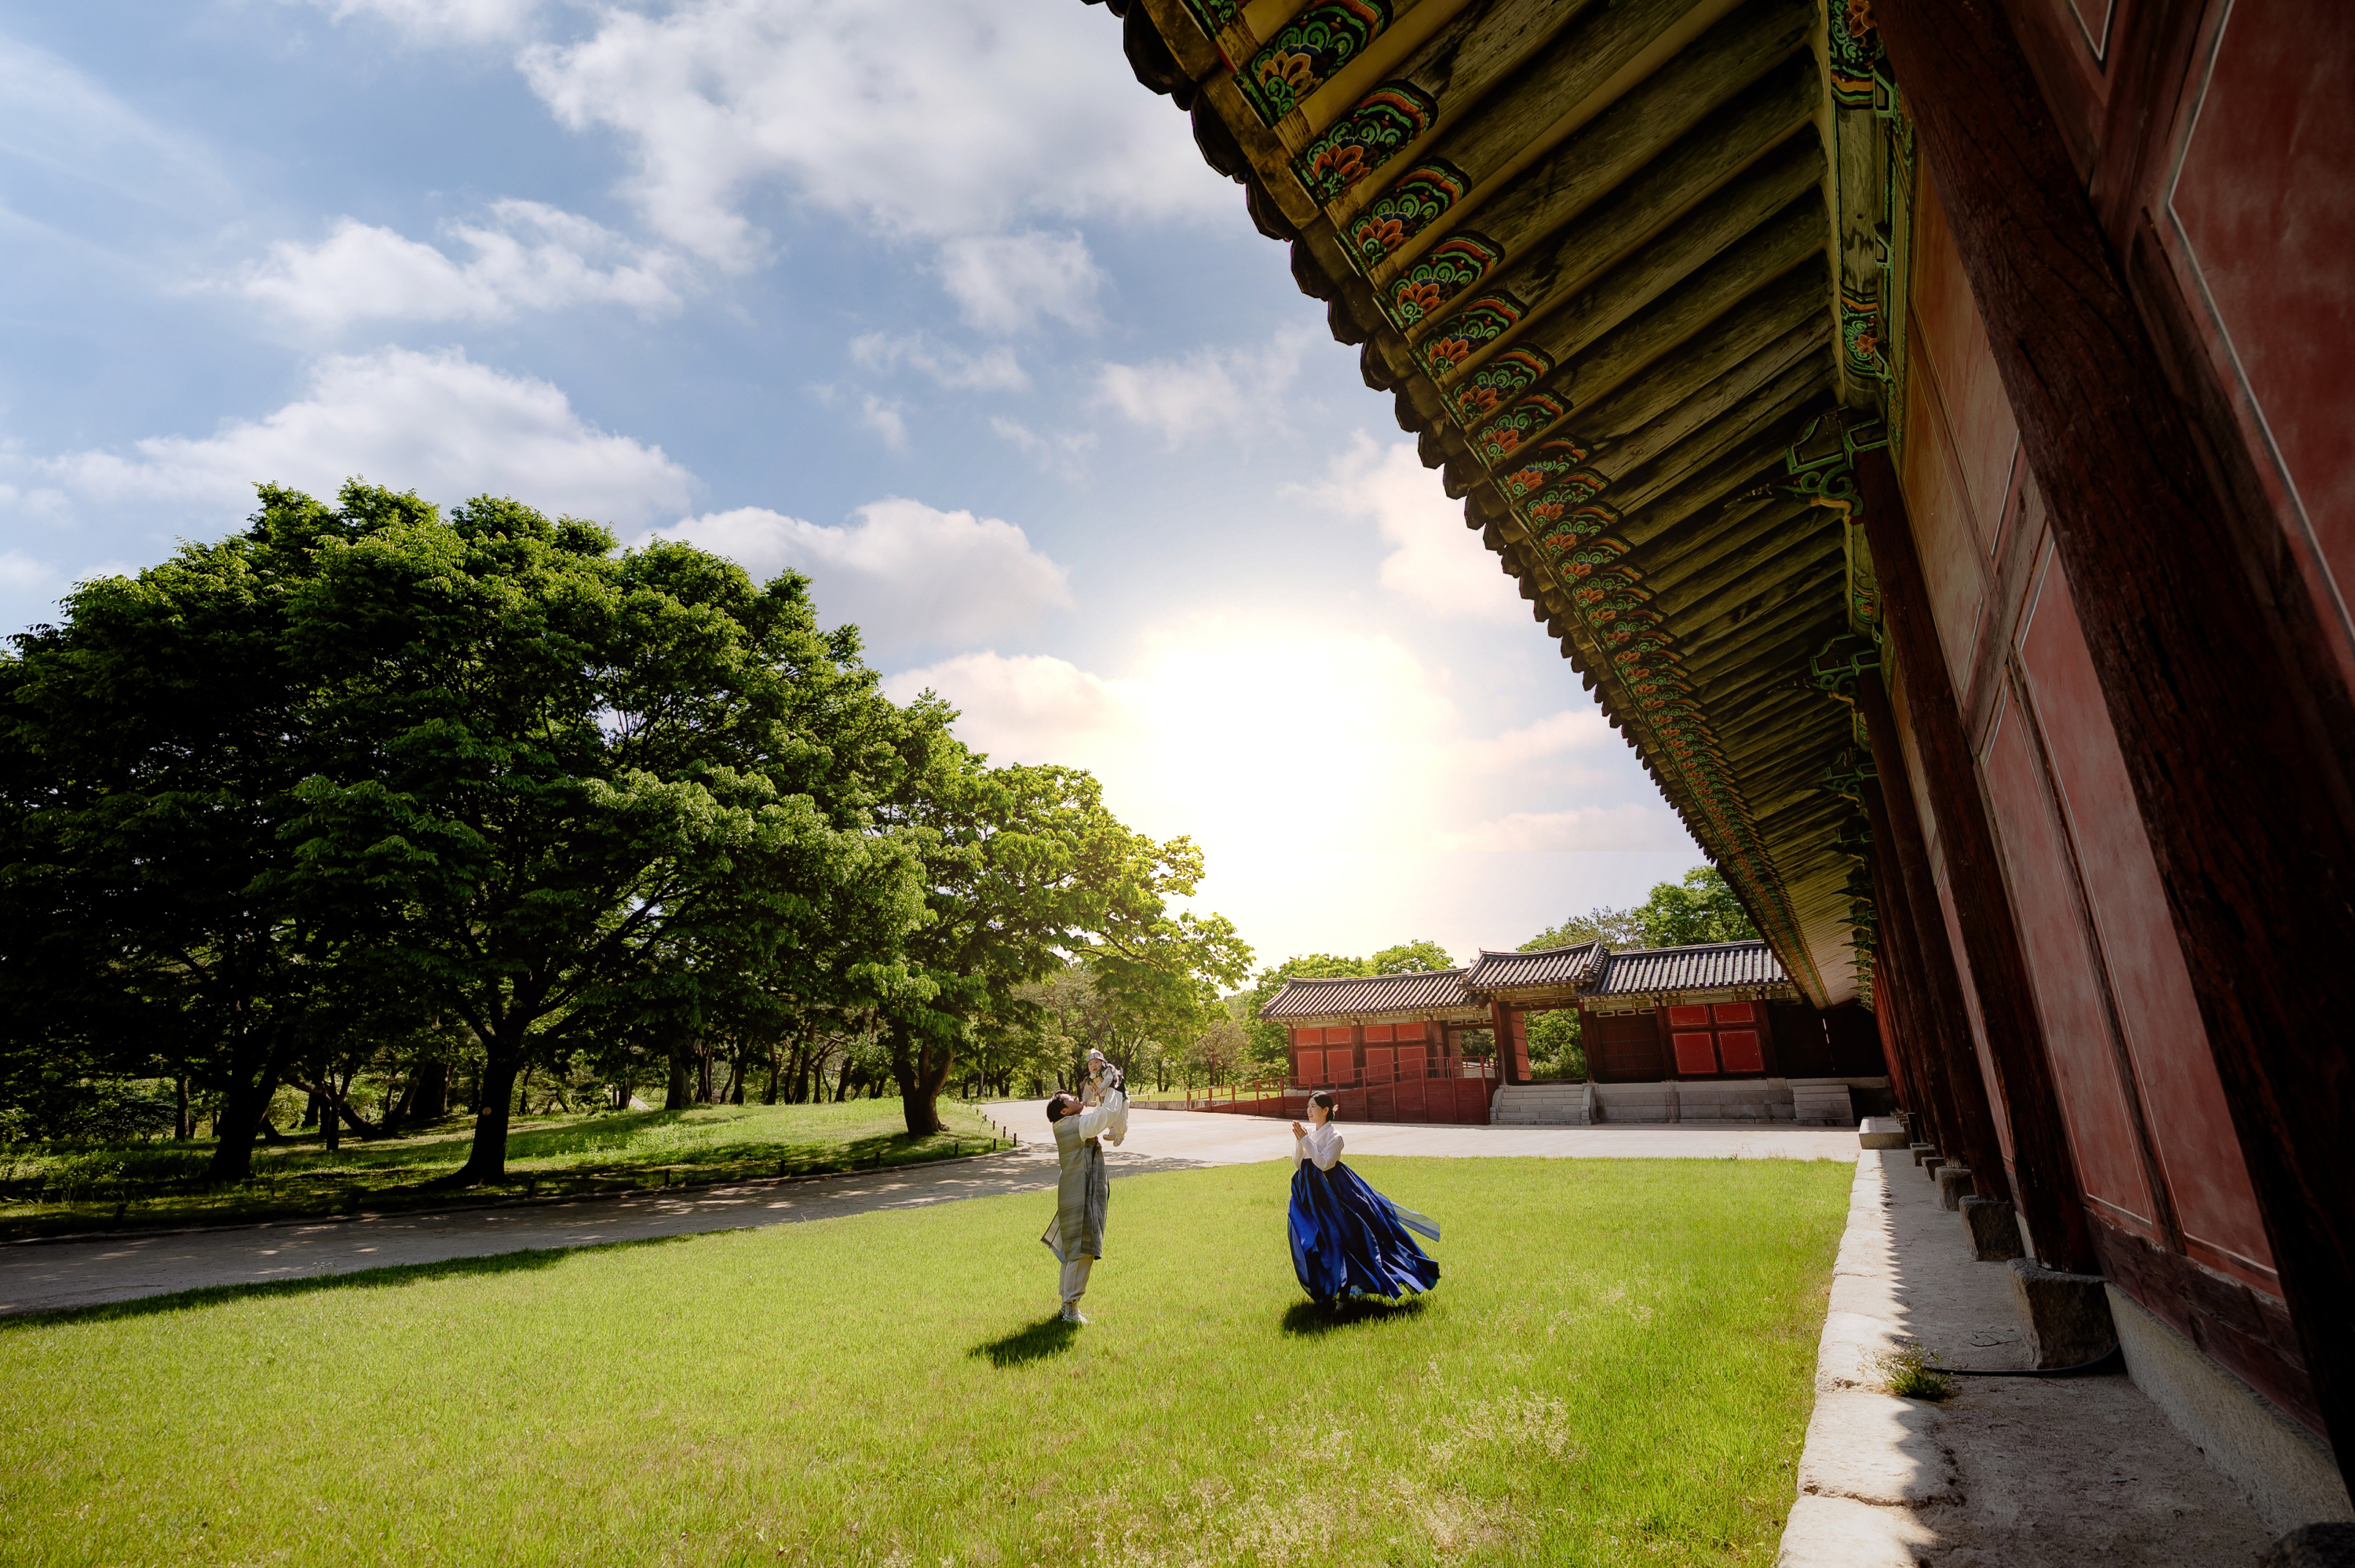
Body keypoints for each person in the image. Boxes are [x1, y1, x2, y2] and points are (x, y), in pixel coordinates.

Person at [1288, 1090, 1440, 1306]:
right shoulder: (1309, 1133)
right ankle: (1328, 1288)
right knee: (1317, 1240)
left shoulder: (1335, 1137)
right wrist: (1299, 1141)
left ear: (1326, 1110)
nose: (1309, 1110)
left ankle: (1343, 1295)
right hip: (1310, 1193)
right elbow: (1298, 1162)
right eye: (1308, 1106)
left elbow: (1324, 1163)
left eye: (1313, 1106)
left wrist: (1305, 1140)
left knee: (1341, 1238)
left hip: (1333, 1192)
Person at [1041, 1081, 1126, 1323]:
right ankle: (1070, 1309)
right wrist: (1115, 1090)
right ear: (1064, 1111)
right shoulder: (1075, 1125)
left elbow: (1100, 1116)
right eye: (1070, 1100)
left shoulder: (1066, 1124)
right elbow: (1105, 1115)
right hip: (1081, 1191)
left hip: (1073, 1190)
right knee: (1083, 1250)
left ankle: (1066, 1306)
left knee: (1072, 1251)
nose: (1076, 1099)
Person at [1079, 1049, 1129, 1146]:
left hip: (1119, 1097)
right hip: (1106, 1099)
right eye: (1090, 1064)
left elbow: (1109, 1079)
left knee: (1120, 1116)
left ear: (1102, 1062)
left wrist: (1102, 1088)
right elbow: (1088, 1090)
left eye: (1096, 1062)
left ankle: (1120, 1135)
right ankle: (1113, 1131)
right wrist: (1085, 1100)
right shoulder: (1091, 1077)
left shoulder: (1108, 1070)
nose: (1094, 1065)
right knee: (1104, 1113)